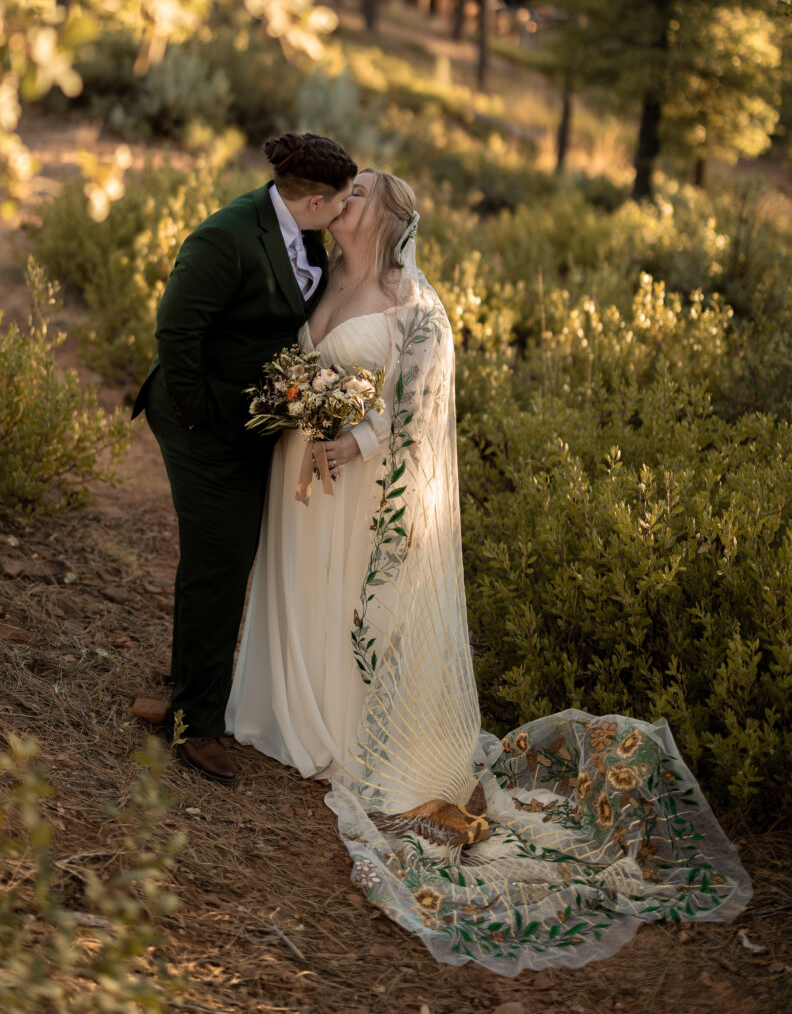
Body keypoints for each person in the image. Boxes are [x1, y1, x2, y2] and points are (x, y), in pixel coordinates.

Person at [227, 170, 752, 975]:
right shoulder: (321, 277)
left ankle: (333, 727)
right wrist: (295, 407)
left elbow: (421, 408)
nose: (342, 197)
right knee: (299, 592)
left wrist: (353, 440)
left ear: (390, 216)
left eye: (358, 192)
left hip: (357, 486)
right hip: (301, 481)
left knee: (346, 605)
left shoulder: (416, 305)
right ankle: (285, 707)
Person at [132, 132, 356, 784]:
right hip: (199, 422)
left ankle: (189, 682)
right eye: (342, 203)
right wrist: (204, 417)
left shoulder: (306, 235)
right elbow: (176, 331)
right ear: (314, 202)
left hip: (251, 423)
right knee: (221, 562)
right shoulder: (225, 236)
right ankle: (195, 725)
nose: (345, 213)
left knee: (226, 557)